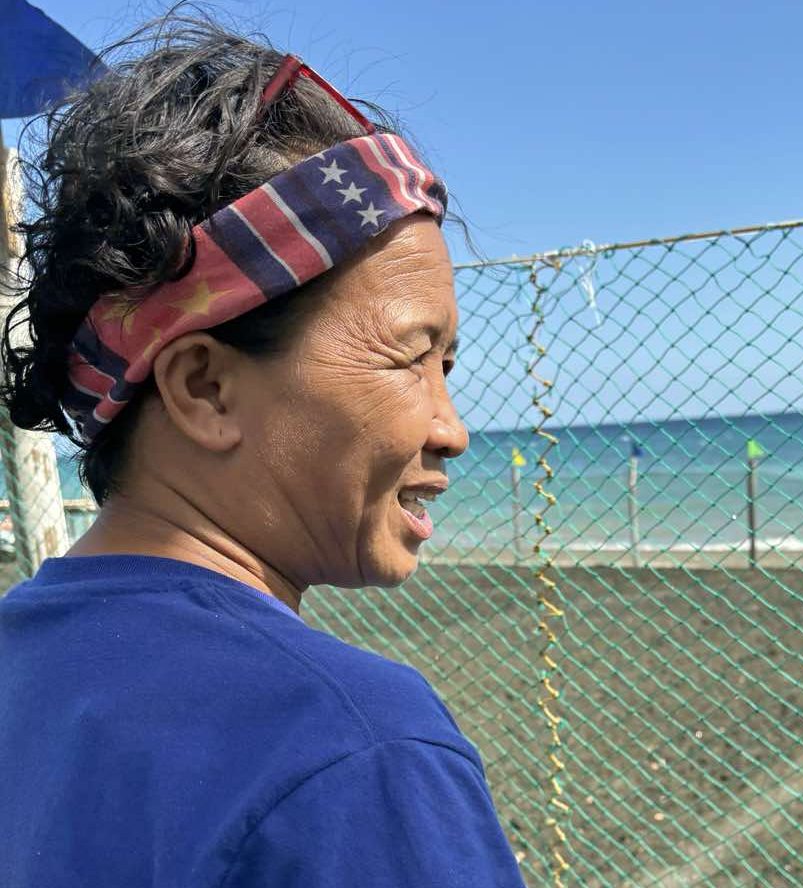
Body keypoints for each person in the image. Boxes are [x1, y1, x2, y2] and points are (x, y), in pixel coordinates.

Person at [0, 15, 526, 887]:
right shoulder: (351, 749)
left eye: (450, 366)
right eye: (409, 357)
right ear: (204, 387)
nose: (452, 427)